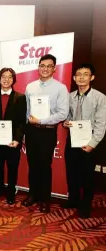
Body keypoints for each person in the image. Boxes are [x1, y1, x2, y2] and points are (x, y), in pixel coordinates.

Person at [24, 54, 69, 213]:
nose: (45, 69)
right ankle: (33, 194)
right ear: (38, 67)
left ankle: (44, 198)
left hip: (47, 132)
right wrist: (25, 130)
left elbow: (63, 114)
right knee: (33, 164)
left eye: (49, 66)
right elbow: (27, 112)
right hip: (31, 132)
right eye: (42, 65)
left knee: (44, 166)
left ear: (54, 69)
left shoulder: (60, 88)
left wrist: (41, 121)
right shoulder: (30, 86)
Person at [62, 63, 106, 218]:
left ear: (92, 77)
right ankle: (73, 199)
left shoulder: (100, 98)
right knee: (71, 172)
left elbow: (101, 125)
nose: (81, 77)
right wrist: (65, 122)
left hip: (89, 141)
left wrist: (92, 144)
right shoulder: (70, 96)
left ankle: (85, 204)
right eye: (78, 74)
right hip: (73, 139)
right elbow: (67, 116)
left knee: (87, 175)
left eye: (85, 74)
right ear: (74, 78)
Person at [0, 68, 27, 204]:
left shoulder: (20, 97)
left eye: (10, 77)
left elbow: (22, 122)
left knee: (12, 168)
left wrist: (17, 139)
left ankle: (11, 192)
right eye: (3, 76)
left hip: (12, 142)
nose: (6, 79)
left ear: (13, 80)